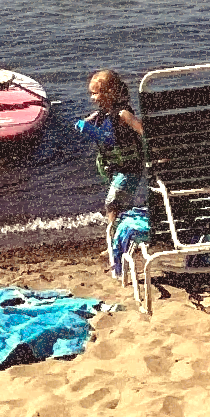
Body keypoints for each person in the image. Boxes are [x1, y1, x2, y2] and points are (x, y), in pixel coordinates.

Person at [73, 69, 148, 270]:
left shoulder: (123, 113)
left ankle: (114, 243)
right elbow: (100, 125)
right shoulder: (104, 114)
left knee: (113, 204)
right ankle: (120, 239)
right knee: (119, 206)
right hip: (119, 167)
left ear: (110, 93)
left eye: (95, 93)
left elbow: (142, 131)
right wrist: (89, 124)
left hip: (130, 168)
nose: (92, 97)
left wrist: (154, 149)